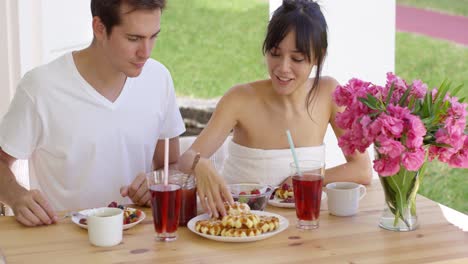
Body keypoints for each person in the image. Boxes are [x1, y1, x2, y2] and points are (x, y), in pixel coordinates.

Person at [179, 0, 372, 218]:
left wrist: (306, 178)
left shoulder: (328, 93)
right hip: (238, 224)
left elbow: (362, 170)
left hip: (301, 227)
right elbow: (185, 159)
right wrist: (199, 163)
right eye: (275, 53)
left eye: (297, 58)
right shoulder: (240, 98)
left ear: (318, 56)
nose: (283, 68)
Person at [0, 0, 185, 227]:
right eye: (133, 38)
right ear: (99, 28)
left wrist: (157, 182)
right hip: (63, 245)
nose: (145, 52)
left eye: (153, 36)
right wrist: (16, 196)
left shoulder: (158, 79)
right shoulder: (40, 88)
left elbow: (172, 164)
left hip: (139, 242)